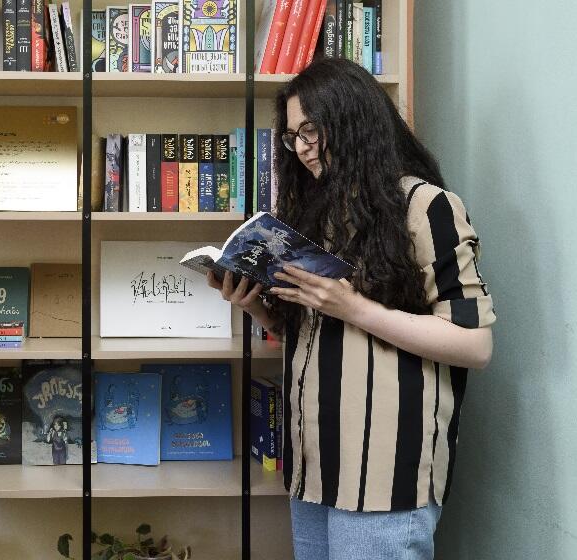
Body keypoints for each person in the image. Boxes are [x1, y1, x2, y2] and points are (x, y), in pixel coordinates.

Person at [208, 58, 495, 560]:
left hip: (386, 476)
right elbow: (324, 331)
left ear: (353, 120)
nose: (301, 148)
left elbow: (474, 344)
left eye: (312, 131)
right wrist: (259, 310)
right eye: (293, 136)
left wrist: (353, 307)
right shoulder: (320, 215)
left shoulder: (429, 207)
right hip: (314, 466)